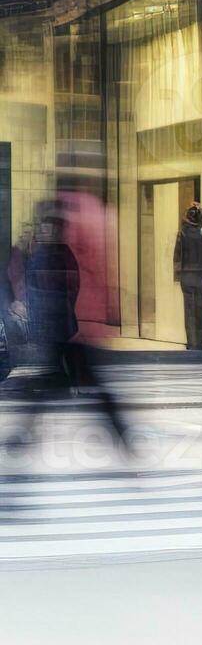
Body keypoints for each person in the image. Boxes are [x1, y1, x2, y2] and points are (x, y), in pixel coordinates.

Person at [6, 167, 134, 460]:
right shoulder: (92, 213)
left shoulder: (70, 217)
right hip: (74, 323)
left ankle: (25, 433)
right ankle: (123, 439)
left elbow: (71, 277)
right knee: (70, 381)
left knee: (65, 381)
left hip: (70, 323)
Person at [175, 201, 202, 351]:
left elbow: (177, 256)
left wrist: (178, 275)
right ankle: (201, 342)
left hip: (187, 276)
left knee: (189, 311)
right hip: (200, 277)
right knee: (200, 310)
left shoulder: (182, 233)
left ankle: (192, 343)